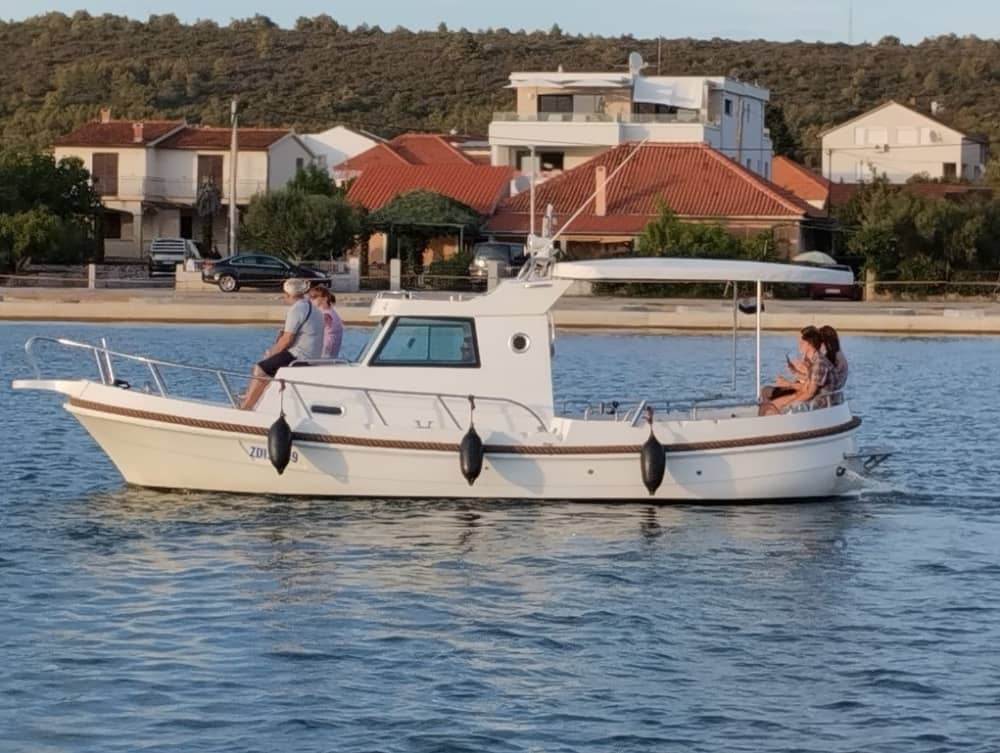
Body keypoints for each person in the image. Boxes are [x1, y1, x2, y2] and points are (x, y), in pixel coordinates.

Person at [240, 278, 324, 410]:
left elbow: (287, 339)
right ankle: (257, 404)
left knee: (260, 368)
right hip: (311, 355)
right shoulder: (311, 306)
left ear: (288, 295)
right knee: (267, 367)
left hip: (300, 355)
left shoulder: (297, 309)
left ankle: (246, 407)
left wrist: (270, 354)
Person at [759, 326, 832, 415]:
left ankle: (771, 420)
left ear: (809, 344)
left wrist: (789, 404)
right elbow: (807, 387)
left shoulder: (818, 363)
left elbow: (810, 393)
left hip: (818, 402)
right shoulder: (814, 361)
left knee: (769, 407)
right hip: (813, 397)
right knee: (768, 401)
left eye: (801, 342)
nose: (799, 344)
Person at [308, 284, 344, 359]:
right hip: (328, 350)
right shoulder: (329, 311)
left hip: (326, 350)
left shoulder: (325, 315)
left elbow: (312, 330)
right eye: (310, 297)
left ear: (324, 299)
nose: (311, 300)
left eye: (314, 297)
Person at [820, 325, 848, 393]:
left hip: (830, 389)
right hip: (833, 388)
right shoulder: (836, 353)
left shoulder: (836, 356)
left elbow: (824, 377)